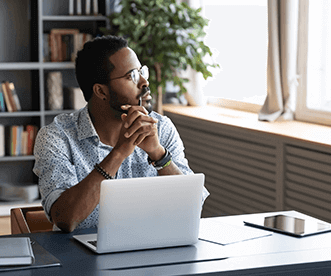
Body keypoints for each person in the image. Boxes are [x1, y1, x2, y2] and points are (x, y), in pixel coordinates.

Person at [33, 35, 209, 232]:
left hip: (153, 250)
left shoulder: (161, 128)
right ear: (101, 91)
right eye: (131, 76)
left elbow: (194, 206)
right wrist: (119, 153)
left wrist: (159, 155)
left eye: (143, 72)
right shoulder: (56, 138)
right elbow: (65, 219)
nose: (144, 82)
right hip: (82, 257)